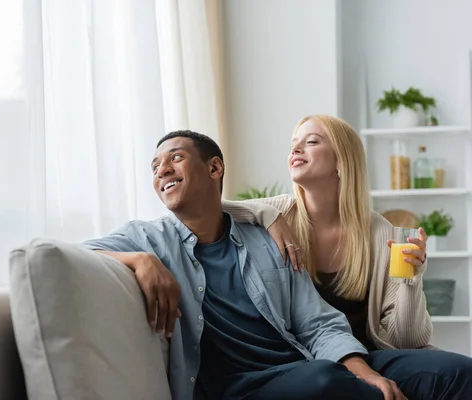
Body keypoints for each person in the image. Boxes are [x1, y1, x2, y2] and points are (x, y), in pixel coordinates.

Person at [83, 130, 472, 400]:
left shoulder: (267, 238)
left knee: (453, 372)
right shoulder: (147, 238)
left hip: (309, 361)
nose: (162, 170)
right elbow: (76, 253)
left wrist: (366, 372)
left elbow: (316, 322)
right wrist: (138, 259)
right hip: (241, 385)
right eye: (155, 166)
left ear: (215, 169)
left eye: (176, 158)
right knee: (326, 383)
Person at [221, 114, 431, 351]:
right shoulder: (277, 213)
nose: (296, 149)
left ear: (341, 160)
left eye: (311, 142)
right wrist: (266, 215)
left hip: (366, 356)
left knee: (456, 369)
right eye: (293, 145)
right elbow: (205, 209)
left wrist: (411, 278)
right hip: (300, 360)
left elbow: (409, 341)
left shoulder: (379, 233)